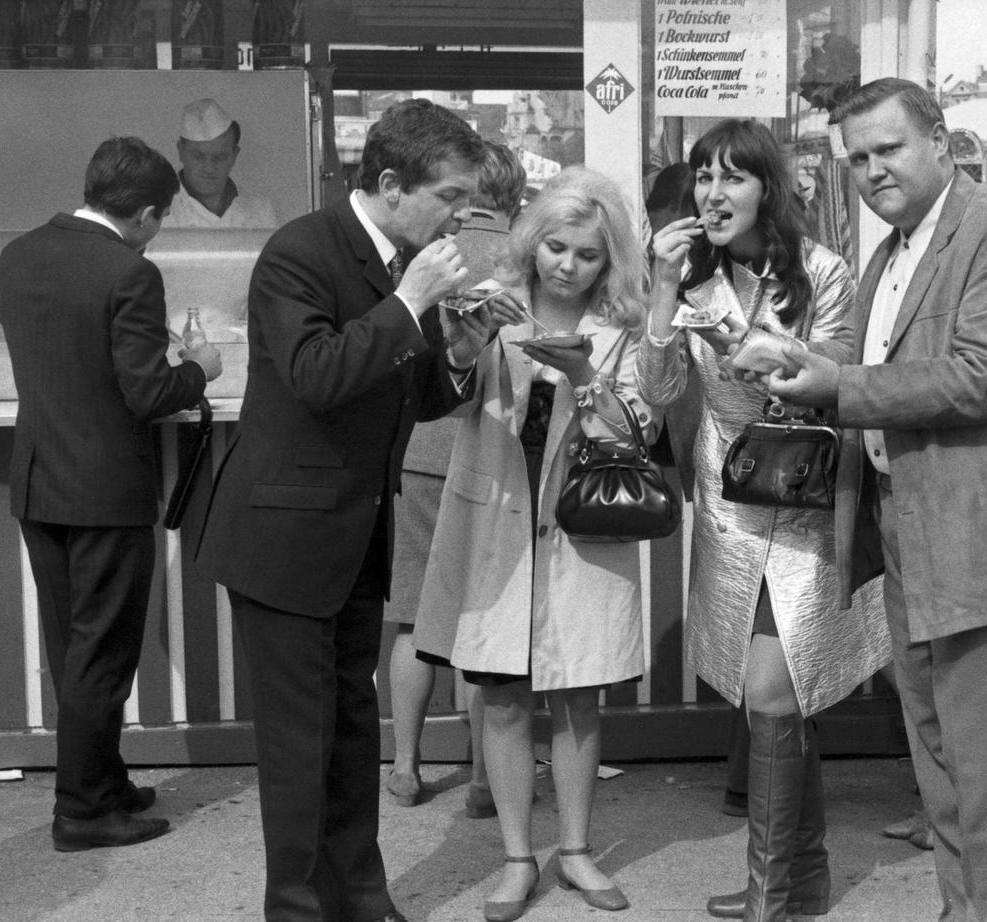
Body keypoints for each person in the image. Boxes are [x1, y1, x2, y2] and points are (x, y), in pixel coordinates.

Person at [769, 78, 987, 922]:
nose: (872, 170)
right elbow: (871, 371)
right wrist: (794, 364)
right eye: (857, 159)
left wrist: (839, 385)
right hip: (915, 539)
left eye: (889, 149)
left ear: (942, 143)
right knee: (946, 777)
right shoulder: (893, 252)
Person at [192, 99, 520, 922]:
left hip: (354, 534)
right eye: (449, 197)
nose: (459, 217)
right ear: (392, 184)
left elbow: (409, 395)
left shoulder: (399, 263)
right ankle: (298, 909)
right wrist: (410, 303)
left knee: (349, 737)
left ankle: (361, 900)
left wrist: (459, 350)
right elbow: (315, 374)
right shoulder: (302, 250)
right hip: (284, 540)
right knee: (299, 750)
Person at [639, 118, 890, 922]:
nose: (713, 193)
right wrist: (662, 288)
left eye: (733, 176)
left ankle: (772, 895)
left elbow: (839, 374)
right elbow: (658, 391)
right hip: (729, 502)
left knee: (777, 693)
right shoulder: (691, 277)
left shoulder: (822, 270)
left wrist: (761, 348)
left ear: (767, 189)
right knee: (769, 698)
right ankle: (801, 879)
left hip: (807, 496)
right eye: (704, 176)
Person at [412, 166, 655, 922]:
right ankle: (518, 858)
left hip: (580, 536)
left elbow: (635, 435)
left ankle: (575, 851)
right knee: (503, 697)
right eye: (556, 247)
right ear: (533, 241)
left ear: (609, 260)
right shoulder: (491, 304)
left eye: (587, 254)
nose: (567, 266)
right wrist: (462, 348)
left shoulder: (623, 328)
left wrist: (585, 376)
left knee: (579, 696)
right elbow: (443, 402)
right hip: (496, 528)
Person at [0, 136, 223, 851]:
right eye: (161, 219)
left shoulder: (19, 253)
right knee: (103, 655)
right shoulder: (130, 271)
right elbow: (148, 393)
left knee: (74, 650)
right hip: (103, 491)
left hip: (39, 480)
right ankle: (83, 810)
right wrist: (202, 368)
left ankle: (103, 779)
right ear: (147, 213)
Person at [384, 140, 528, 817]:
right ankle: (482, 779)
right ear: (514, 193)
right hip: (489, 455)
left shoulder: (425, 254)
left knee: (413, 618)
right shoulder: (525, 258)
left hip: (419, 449)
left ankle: (405, 766)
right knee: (482, 622)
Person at [164, 98, 278, 229]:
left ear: (234, 155)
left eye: (220, 157)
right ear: (181, 151)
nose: (209, 168)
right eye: (198, 156)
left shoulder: (260, 212)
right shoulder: (158, 210)